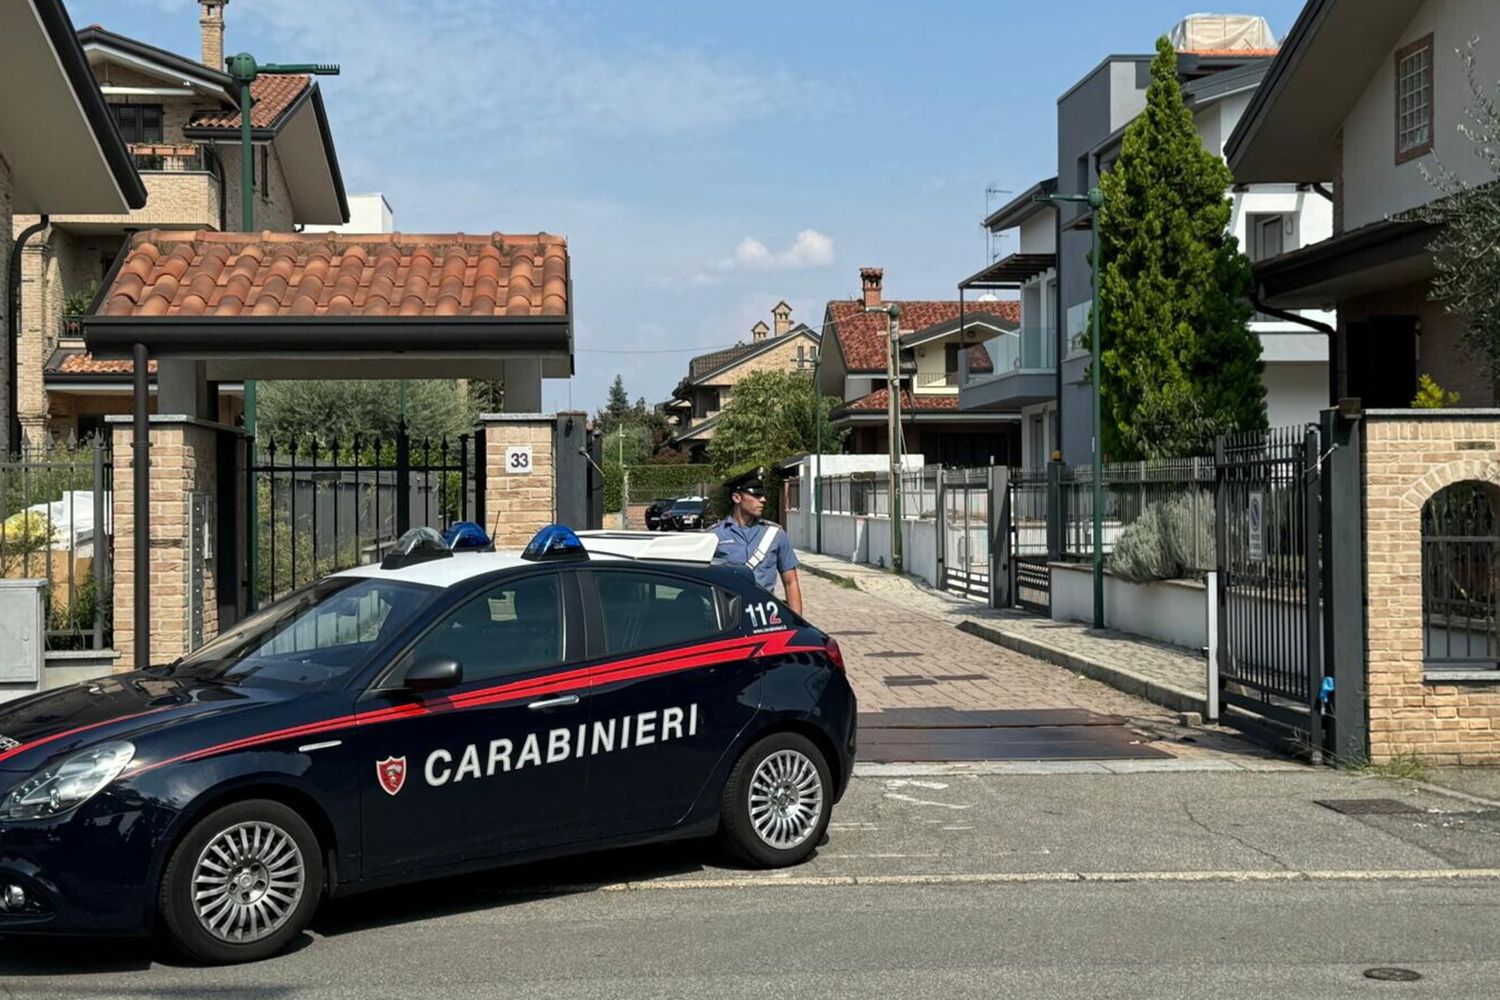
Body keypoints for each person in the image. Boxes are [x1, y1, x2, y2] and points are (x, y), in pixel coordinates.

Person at [711, 469, 803, 616]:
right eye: (756, 495)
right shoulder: (714, 536)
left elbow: (791, 582)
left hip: (765, 620)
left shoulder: (775, 534)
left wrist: (798, 623)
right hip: (729, 620)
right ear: (736, 498)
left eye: (763, 495)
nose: (763, 500)